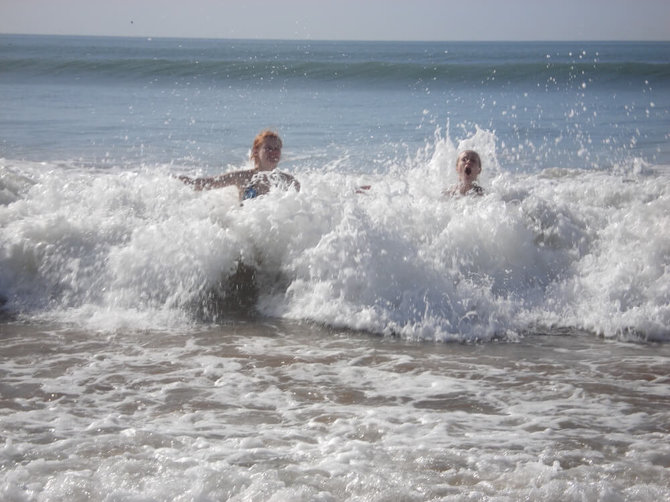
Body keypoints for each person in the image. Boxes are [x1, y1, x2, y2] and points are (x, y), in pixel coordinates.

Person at [179, 130, 300, 200]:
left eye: (277, 148)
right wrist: (175, 182)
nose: (273, 152)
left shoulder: (289, 182)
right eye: (268, 148)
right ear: (256, 151)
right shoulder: (242, 177)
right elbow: (206, 184)